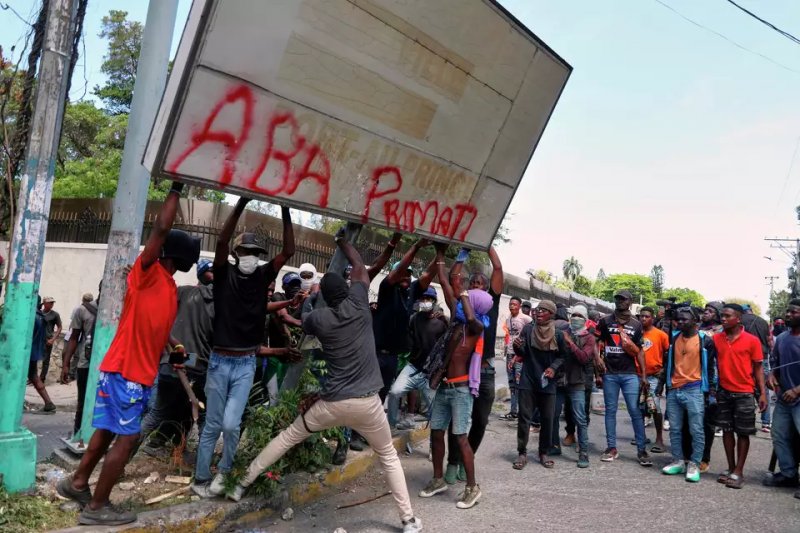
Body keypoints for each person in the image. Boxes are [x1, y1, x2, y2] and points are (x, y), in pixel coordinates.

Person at [229, 230, 423, 533]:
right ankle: (408, 520)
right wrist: (343, 243)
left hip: (332, 404)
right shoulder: (359, 302)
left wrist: (294, 314)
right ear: (346, 289)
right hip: (368, 404)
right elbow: (360, 265)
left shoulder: (320, 319)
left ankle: (241, 485)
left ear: (325, 298)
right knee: (388, 457)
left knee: (286, 438)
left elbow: (298, 320)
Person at [57, 181, 200, 525]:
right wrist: (176, 189)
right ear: (175, 255)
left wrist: (173, 347)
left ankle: (77, 483)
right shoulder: (148, 272)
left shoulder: (167, 287)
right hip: (128, 373)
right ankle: (98, 507)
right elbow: (161, 228)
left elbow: (156, 326)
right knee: (129, 436)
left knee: (106, 431)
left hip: (125, 370)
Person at [192, 198, 295, 498]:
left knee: (231, 423)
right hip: (219, 361)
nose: (250, 256)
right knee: (212, 424)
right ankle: (200, 479)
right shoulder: (225, 275)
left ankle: (224, 474)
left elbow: (288, 250)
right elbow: (222, 240)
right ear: (237, 255)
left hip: (245, 363)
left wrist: (286, 209)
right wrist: (241, 203)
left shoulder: (264, 276)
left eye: (254, 253)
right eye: (245, 252)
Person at [419, 242, 491, 509]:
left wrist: (463, 296)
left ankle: (472, 487)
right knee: (436, 432)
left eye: (474, 290)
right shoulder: (457, 321)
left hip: (460, 390)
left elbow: (470, 316)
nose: (469, 290)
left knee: (460, 438)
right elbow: (447, 282)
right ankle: (438, 479)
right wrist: (442, 255)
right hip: (445, 388)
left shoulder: (476, 325)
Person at [136, 259, 215, 457]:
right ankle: (201, 467)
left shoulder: (181, 292)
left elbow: (158, 312)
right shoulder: (218, 301)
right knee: (204, 416)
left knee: (162, 413)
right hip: (196, 363)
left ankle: (153, 449)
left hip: (173, 358)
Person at [445, 246, 503, 480]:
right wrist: (461, 256)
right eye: (474, 284)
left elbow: (498, 268)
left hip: (485, 371)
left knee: (480, 420)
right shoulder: (462, 304)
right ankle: (452, 461)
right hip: (460, 373)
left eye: (482, 285)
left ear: (489, 290)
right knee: (456, 421)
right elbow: (453, 278)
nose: (477, 288)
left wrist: (486, 242)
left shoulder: (493, 303)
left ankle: (467, 459)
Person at [372, 238, 435, 403]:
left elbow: (428, 275)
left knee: (381, 397)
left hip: (392, 357)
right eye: (402, 273)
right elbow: (398, 271)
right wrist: (416, 247)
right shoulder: (386, 289)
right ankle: (353, 429)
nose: (406, 276)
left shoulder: (410, 293)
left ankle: (370, 428)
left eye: (409, 273)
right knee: (367, 396)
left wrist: (441, 253)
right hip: (375, 354)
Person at [713, 303, 768, 489]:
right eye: (722, 315)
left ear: (738, 318)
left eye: (727, 316)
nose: (723, 319)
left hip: (744, 392)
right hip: (724, 391)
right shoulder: (717, 339)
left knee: (743, 432)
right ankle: (730, 468)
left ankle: (739, 470)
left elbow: (758, 368)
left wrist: (762, 394)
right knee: (727, 430)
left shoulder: (752, 340)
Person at [660, 307, 717, 483]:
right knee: (675, 428)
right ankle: (678, 460)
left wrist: (711, 392)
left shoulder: (705, 341)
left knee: (696, 429)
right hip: (674, 388)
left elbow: (711, 368)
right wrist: (663, 386)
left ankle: (694, 463)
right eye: (678, 320)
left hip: (695, 389)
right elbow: (669, 363)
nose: (681, 322)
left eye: (685, 319)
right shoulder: (674, 338)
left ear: (695, 320)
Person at [597, 290, 651, 466]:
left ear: (630, 301)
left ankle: (641, 450)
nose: (620, 302)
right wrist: (598, 362)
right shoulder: (605, 321)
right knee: (610, 412)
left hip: (629, 375)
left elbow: (640, 351)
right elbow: (597, 343)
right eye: (617, 299)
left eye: (623, 299)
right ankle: (611, 448)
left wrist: (643, 375)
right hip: (610, 374)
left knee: (635, 412)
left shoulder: (636, 325)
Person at [511, 300, 566, 470]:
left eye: (543, 310)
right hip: (528, 379)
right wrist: (517, 347)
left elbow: (563, 356)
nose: (538, 313)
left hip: (548, 382)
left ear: (551, 313)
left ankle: (543, 452)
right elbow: (523, 353)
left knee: (547, 419)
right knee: (524, 418)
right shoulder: (528, 329)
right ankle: (522, 452)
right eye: (537, 310)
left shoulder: (558, 334)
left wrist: (553, 368)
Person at [387, 287, 447, 430]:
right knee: (395, 392)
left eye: (428, 299)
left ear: (434, 301)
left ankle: (434, 445)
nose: (425, 301)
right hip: (413, 367)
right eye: (423, 298)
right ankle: (391, 425)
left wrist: (442, 372)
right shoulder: (415, 319)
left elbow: (447, 346)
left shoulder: (441, 323)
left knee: (435, 410)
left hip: (430, 373)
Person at [763, 299, 800, 492]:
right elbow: (775, 365)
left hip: (797, 396)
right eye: (788, 312)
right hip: (785, 399)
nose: (788, 315)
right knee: (779, 435)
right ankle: (789, 474)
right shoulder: (783, 338)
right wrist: (771, 376)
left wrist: (796, 390)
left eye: (794, 312)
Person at [561, 304, 596, 468]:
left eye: (579, 316)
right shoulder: (564, 332)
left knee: (580, 418)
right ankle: (552, 446)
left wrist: (571, 343)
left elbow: (583, 358)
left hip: (578, 382)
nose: (575, 318)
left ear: (585, 320)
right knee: (555, 415)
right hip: (561, 380)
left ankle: (583, 452)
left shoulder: (589, 337)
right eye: (573, 314)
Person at [61, 293, 98, 436]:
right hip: (86, 363)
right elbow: (73, 338)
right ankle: (78, 433)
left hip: (109, 365)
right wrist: (66, 364)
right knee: (82, 401)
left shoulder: (118, 309)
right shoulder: (82, 310)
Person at [640, 306, 669, 454]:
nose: (643, 319)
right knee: (638, 407)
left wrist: (663, 371)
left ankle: (659, 438)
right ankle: (641, 436)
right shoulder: (636, 333)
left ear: (652, 318)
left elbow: (667, 354)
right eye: (641, 316)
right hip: (636, 375)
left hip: (653, 376)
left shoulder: (661, 335)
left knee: (655, 407)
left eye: (646, 316)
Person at [741, 304, 773, 433]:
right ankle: (766, 423)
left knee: (746, 388)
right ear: (751, 311)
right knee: (763, 389)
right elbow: (769, 340)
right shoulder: (762, 321)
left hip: (746, 358)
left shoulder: (740, 320)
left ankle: (748, 422)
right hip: (763, 357)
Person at [500, 296, 532, 421]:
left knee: (520, 384)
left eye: (514, 304)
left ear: (519, 306)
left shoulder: (526, 319)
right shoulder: (508, 319)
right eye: (510, 304)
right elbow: (509, 336)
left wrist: (523, 353)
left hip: (520, 356)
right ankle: (513, 411)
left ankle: (522, 412)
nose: (512, 306)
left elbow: (531, 334)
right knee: (512, 384)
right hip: (510, 355)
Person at [29, 296, 56, 412]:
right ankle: (48, 403)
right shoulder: (41, 316)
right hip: (34, 352)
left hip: (27, 352)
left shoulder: (32, 316)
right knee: (34, 376)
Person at [38, 296, 62, 383]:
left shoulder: (55, 314)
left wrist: (53, 339)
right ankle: (32, 377)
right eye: (50, 302)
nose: (52, 304)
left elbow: (59, 327)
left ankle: (42, 378)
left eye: (52, 303)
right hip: (38, 339)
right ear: (44, 303)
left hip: (47, 340)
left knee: (46, 360)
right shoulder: (39, 312)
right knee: (33, 359)